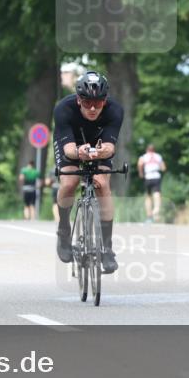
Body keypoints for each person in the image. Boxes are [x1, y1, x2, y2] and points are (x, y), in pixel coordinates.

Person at [53, 70, 123, 274]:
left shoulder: (115, 110)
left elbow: (110, 147)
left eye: (98, 103)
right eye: (87, 103)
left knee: (102, 183)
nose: (93, 108)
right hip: (72, 144)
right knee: (69, 183)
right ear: (78, 100)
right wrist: (78, 152)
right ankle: (64, 230)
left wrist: (101, 151)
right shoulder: (63, 109)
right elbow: (68, 150)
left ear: (105, 100)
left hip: (99, 144)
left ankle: (107, 248)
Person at [137, 144, 166, 222]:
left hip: (148, 177)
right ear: (154, 150)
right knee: (157, 194)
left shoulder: (144, 156)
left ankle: (149, 216)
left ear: (147, 150)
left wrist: (141, 173)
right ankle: (156, 210)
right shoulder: (158, 156)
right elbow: (163, 168)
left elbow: (140, 164)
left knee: (148, 196)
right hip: (156, 176)